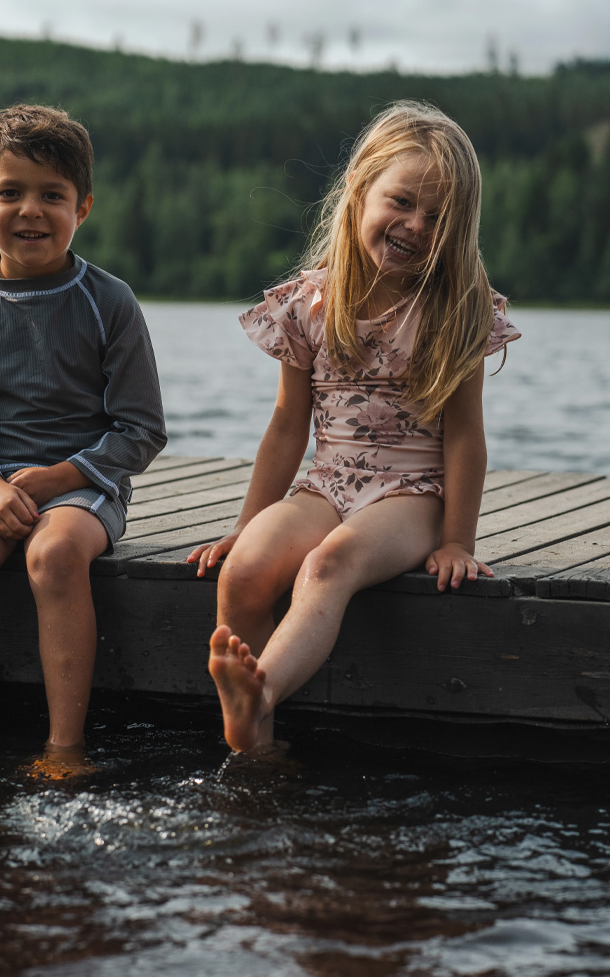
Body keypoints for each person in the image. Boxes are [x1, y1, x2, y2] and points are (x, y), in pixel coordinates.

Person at [188, 100, 520, 754]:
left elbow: (464, 437)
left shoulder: (453, 311)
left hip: (411, 496)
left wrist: (457, 540)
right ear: (360, 188)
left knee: (326, 565)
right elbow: (287, 425)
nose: (415, 225)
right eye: (401, 201)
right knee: (245, 571)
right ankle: (251, 744)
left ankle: (260, 695)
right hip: (327, 483)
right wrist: (245, 523)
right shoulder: (310, 303)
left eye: (436, 217)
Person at [0, 104, 166, 755]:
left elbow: (141, 428)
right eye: (10, 193)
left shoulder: (107, 301)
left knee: (53, 555)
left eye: (52, 195)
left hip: (82, 484)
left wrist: (62, 475)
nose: (30, 210)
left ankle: (64, 749)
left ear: (82, 208)